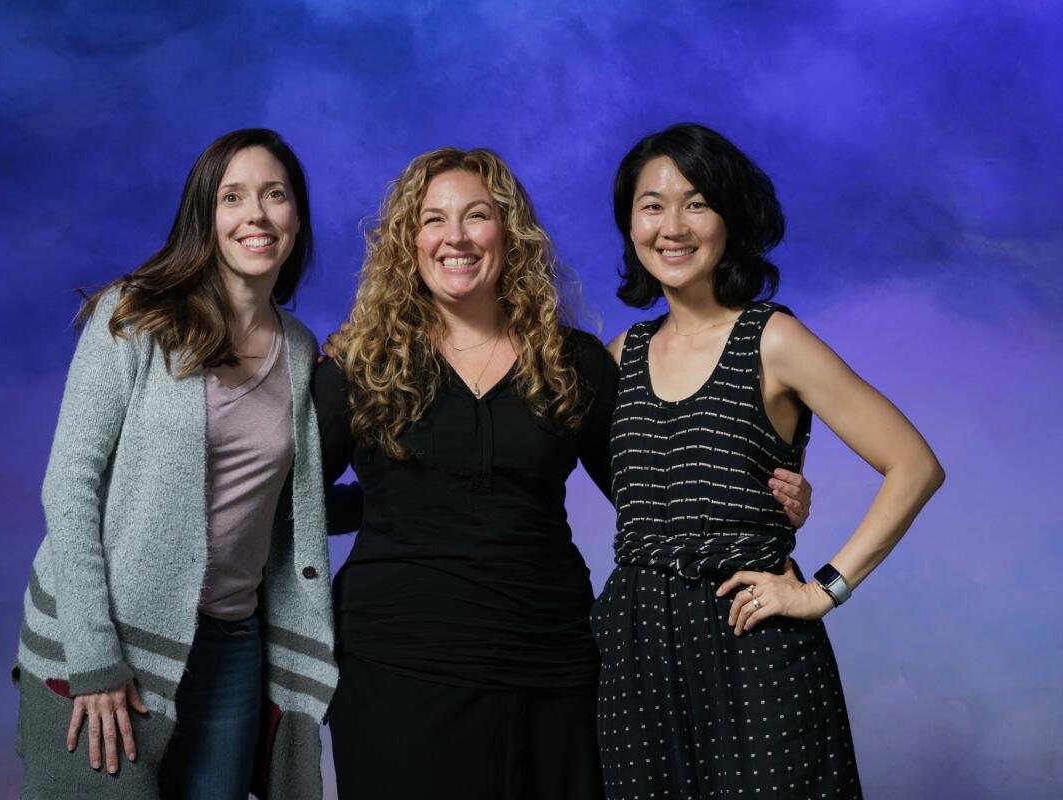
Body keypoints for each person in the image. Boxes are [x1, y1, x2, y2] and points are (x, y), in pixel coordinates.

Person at [314, 146, 812, 799]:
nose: (455, 237)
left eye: (477, 216)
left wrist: (762, 506)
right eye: (432, 220)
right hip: (399, 663)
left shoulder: (571, 361)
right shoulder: (359, 364)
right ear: (408, 240)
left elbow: (652, 494)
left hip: (552, 665)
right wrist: (381, 503)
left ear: (509, 232)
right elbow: (288, 503)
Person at [592, 123, 945, 798]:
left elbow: (914, 465)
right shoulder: (618, 357)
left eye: (696, 202)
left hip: (753, 647)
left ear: (730, 217)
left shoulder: (772, 339)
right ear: (629, 224)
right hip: (635, 657)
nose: (673, 225)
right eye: (652, 204)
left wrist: (821, 590)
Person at [12, 128, 336, 800]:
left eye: (275, 196)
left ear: (297, 218)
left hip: (232, 646)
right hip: (113, 634)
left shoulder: (301, 353)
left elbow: (279, 503)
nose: (256, 215)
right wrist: (95, 659)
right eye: (233, 197)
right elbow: (68, 487)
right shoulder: (135, 317)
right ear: (206, 217)